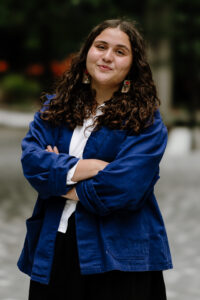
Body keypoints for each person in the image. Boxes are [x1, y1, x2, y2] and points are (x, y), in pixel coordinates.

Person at [17, 19, 173, 300]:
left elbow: (125, 187)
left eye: (120, 51)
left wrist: (59, 180)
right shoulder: (55, 108)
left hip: (120, 254)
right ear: (87, 52)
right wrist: (84, 168)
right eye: (101, 46)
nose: (107, 56)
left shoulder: (146, 121)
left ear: (132, 66)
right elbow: (32, 162)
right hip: (55, 243)